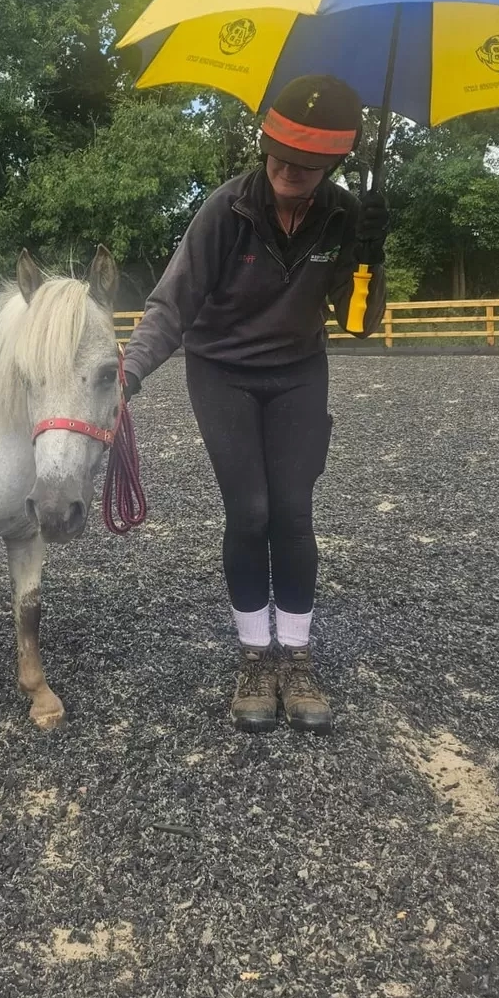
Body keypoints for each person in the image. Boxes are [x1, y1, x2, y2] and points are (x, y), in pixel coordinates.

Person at [121, 75, 388, 735]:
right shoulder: (226, 208)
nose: (285, 172)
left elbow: (357, 323)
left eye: (302, 164)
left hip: (298, 370)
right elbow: (170, 303)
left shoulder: (344, 214)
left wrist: (370, 257)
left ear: (332, 163)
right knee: (250, 510)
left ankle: (293, 659)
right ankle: (252, 656)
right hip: (223, 371)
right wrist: (126, 373)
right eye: (275, 157)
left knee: (293, 512)